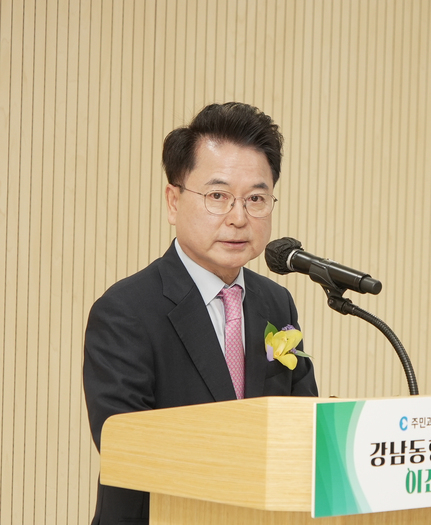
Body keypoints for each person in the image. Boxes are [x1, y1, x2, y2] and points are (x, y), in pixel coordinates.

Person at [83, 102, 318, 525]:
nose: (239, 218)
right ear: (174, 202)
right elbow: (125, 447)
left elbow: (303, 424)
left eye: (256, 198)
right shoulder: (125, 311)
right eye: (218, 196)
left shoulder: (275, 302)